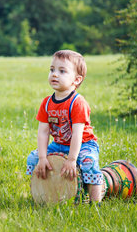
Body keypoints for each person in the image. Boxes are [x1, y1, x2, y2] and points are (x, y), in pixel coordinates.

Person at [26, 50, 103, 202]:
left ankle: (95, 202)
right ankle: (45, 193)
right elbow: (43, 132)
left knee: (89, 163)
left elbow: (77, 134)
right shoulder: (47, 103)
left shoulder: (77, 103)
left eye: (62, 71)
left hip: (83, 144)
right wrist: (42, 158)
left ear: (76, 80)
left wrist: (72, 159)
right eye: (52, 69)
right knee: (32, 158)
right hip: (59, 144)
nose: (54, 74)